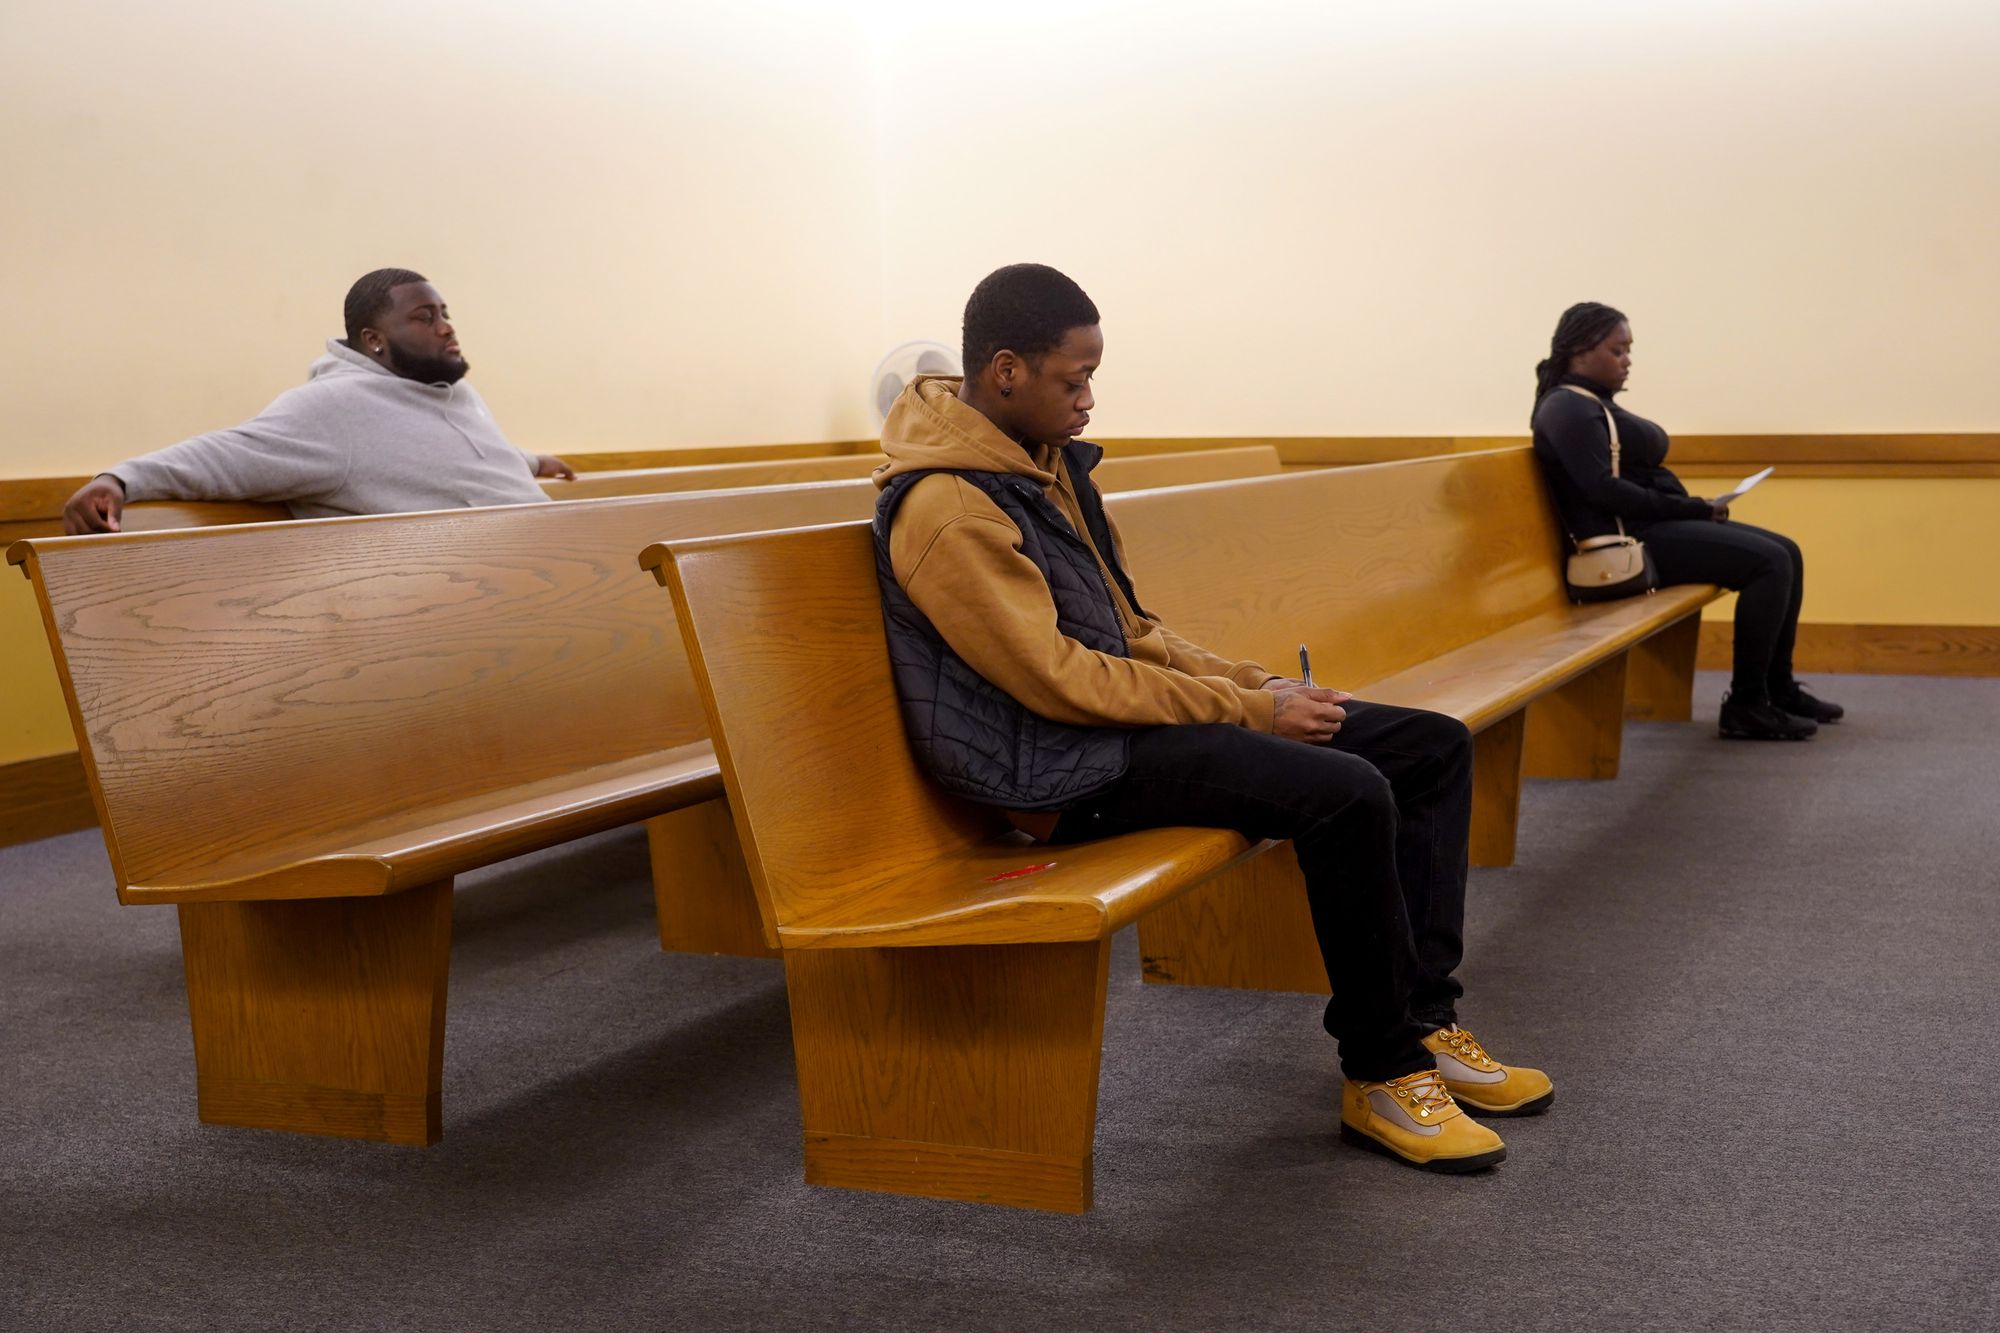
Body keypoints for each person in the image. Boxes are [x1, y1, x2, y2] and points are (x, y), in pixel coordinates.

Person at [872, 263, 1551, 1174]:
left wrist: (1262, 686)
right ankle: (1380, 1071)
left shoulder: (1038, 467)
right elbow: (1057, 681)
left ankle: (1425, 1024)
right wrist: (1251, 710)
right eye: (1074, 380)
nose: (1089, 400)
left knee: (1427, 746)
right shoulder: (948, 506)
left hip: (1113, 732)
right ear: (1005, 372)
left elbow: (1132, 631)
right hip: (1054, 771)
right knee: (1346, 793)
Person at [1530, 303, 1843, 741]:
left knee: (1787, 551)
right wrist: (1693, 508)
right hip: (1627, 545)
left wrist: (1694, 507)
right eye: (1617, 350)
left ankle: (1778, 688)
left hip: (1649, 530)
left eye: (1628, 350)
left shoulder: (1590, 404)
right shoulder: (1565, 408)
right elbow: (1602, 489)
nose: (1627, 360)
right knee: (1769, 562)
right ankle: (1747, 704)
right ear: (1580, 350)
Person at [61, 268, 573, 534]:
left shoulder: (450, 391)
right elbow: (229, 453)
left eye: (445, 312)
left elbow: (457, 454)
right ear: (374, 340)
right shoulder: (333, 410)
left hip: (549, 576)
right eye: (424, 317)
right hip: (467, 612)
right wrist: (120, 479)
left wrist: (530, 461)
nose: (446, 327)